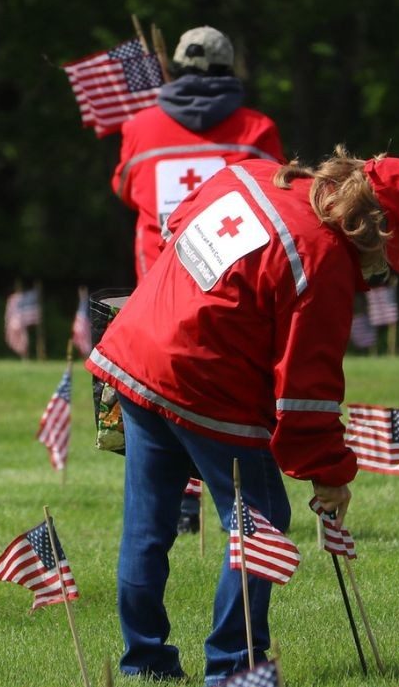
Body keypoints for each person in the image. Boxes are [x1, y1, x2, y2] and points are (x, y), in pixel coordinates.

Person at [87, 148, 399, 686]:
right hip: (203, 385)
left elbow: (174, 225)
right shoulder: (323, 260)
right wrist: (331, 473)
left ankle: (144, 663)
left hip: (132, 353)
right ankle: (233, 666)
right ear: (376, 227)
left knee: (147, 527)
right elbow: (306, 393)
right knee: (262, 520)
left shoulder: (252, 173)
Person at [112, 26, 286, 536]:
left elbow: (127, 190)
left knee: (156, 403)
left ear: (177, 70)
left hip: (154, 291)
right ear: (229, 71)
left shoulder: (139, 128)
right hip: (226, 296)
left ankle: (177, 510)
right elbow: (277, 201)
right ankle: (235, 503)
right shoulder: (257, 128)